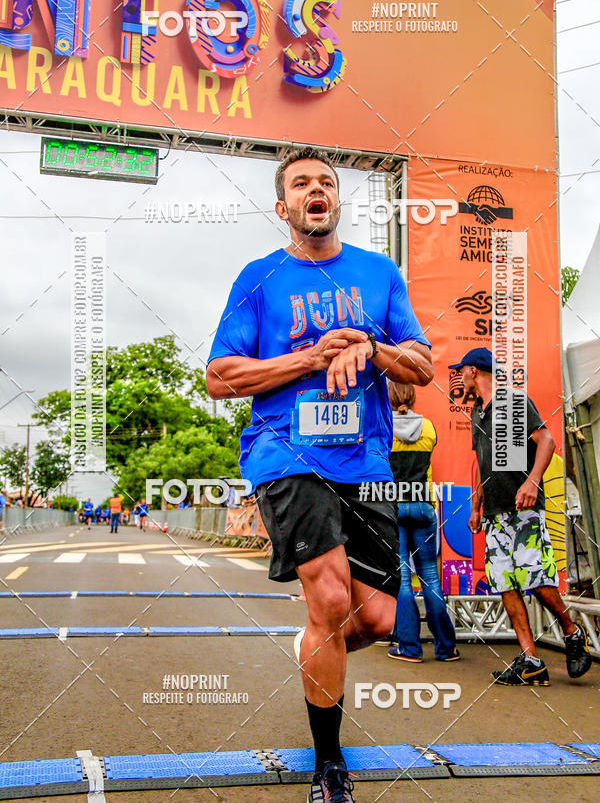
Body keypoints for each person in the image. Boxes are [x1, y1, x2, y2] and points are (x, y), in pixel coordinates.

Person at [206, 146, 433, 802]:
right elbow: (220, 376)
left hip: (364, 460)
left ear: (336, 202)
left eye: (327, 183)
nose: (316, 190)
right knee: (331, 601)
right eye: (302, 182)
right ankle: (329, 764)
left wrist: (371, 346)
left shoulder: (378, 272)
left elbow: (419, 367)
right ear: (284, 207)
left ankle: (316, 643)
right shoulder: (259, 278)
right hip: (286, 454)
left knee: (380, 619)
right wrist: (310, 357)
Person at [451, 347, 592, 685]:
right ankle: (531, 660)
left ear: (473, 371)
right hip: (495, 515)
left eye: (462, 371)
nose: (460, 377)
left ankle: (572, 633)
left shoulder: (512, 402)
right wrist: (475, 505)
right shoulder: (476, 412)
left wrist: (532, 481)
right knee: (505, 585)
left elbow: (546, 440)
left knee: (538, 582)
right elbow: (479, 463)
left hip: (524, 510)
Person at [386, 382, 458, 663]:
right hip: (424, 506)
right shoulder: (429, 428)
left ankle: (410, 648)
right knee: (430, 576)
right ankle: (446, 647)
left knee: (403, 578)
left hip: (393, 506)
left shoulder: (382, 428)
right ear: (413, 397)